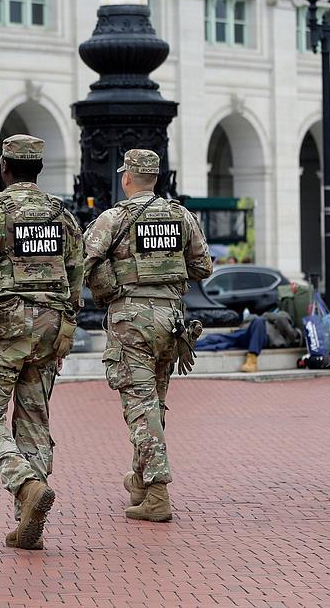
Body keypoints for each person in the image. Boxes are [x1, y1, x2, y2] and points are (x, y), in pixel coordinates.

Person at [0, 134, 84, 550]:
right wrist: (65, 325)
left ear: (4, 168)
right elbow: (76, 275)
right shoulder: (62, 217)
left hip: (2, 329)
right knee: (34, 421)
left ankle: (26, 485)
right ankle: (28, 520)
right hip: (50, 329)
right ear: (39, 169)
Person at [83, 149, 213, 522]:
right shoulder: (181, 216)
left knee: (141, 407)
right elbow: (203, 266)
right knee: (153, 405)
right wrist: (167, 273)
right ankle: (140, 482)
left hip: (132, 321)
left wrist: (110, 287)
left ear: (126, 178)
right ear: (156, 178)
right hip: (170, 321)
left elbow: (86, 262)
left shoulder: (114, 218)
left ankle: (157, 494)